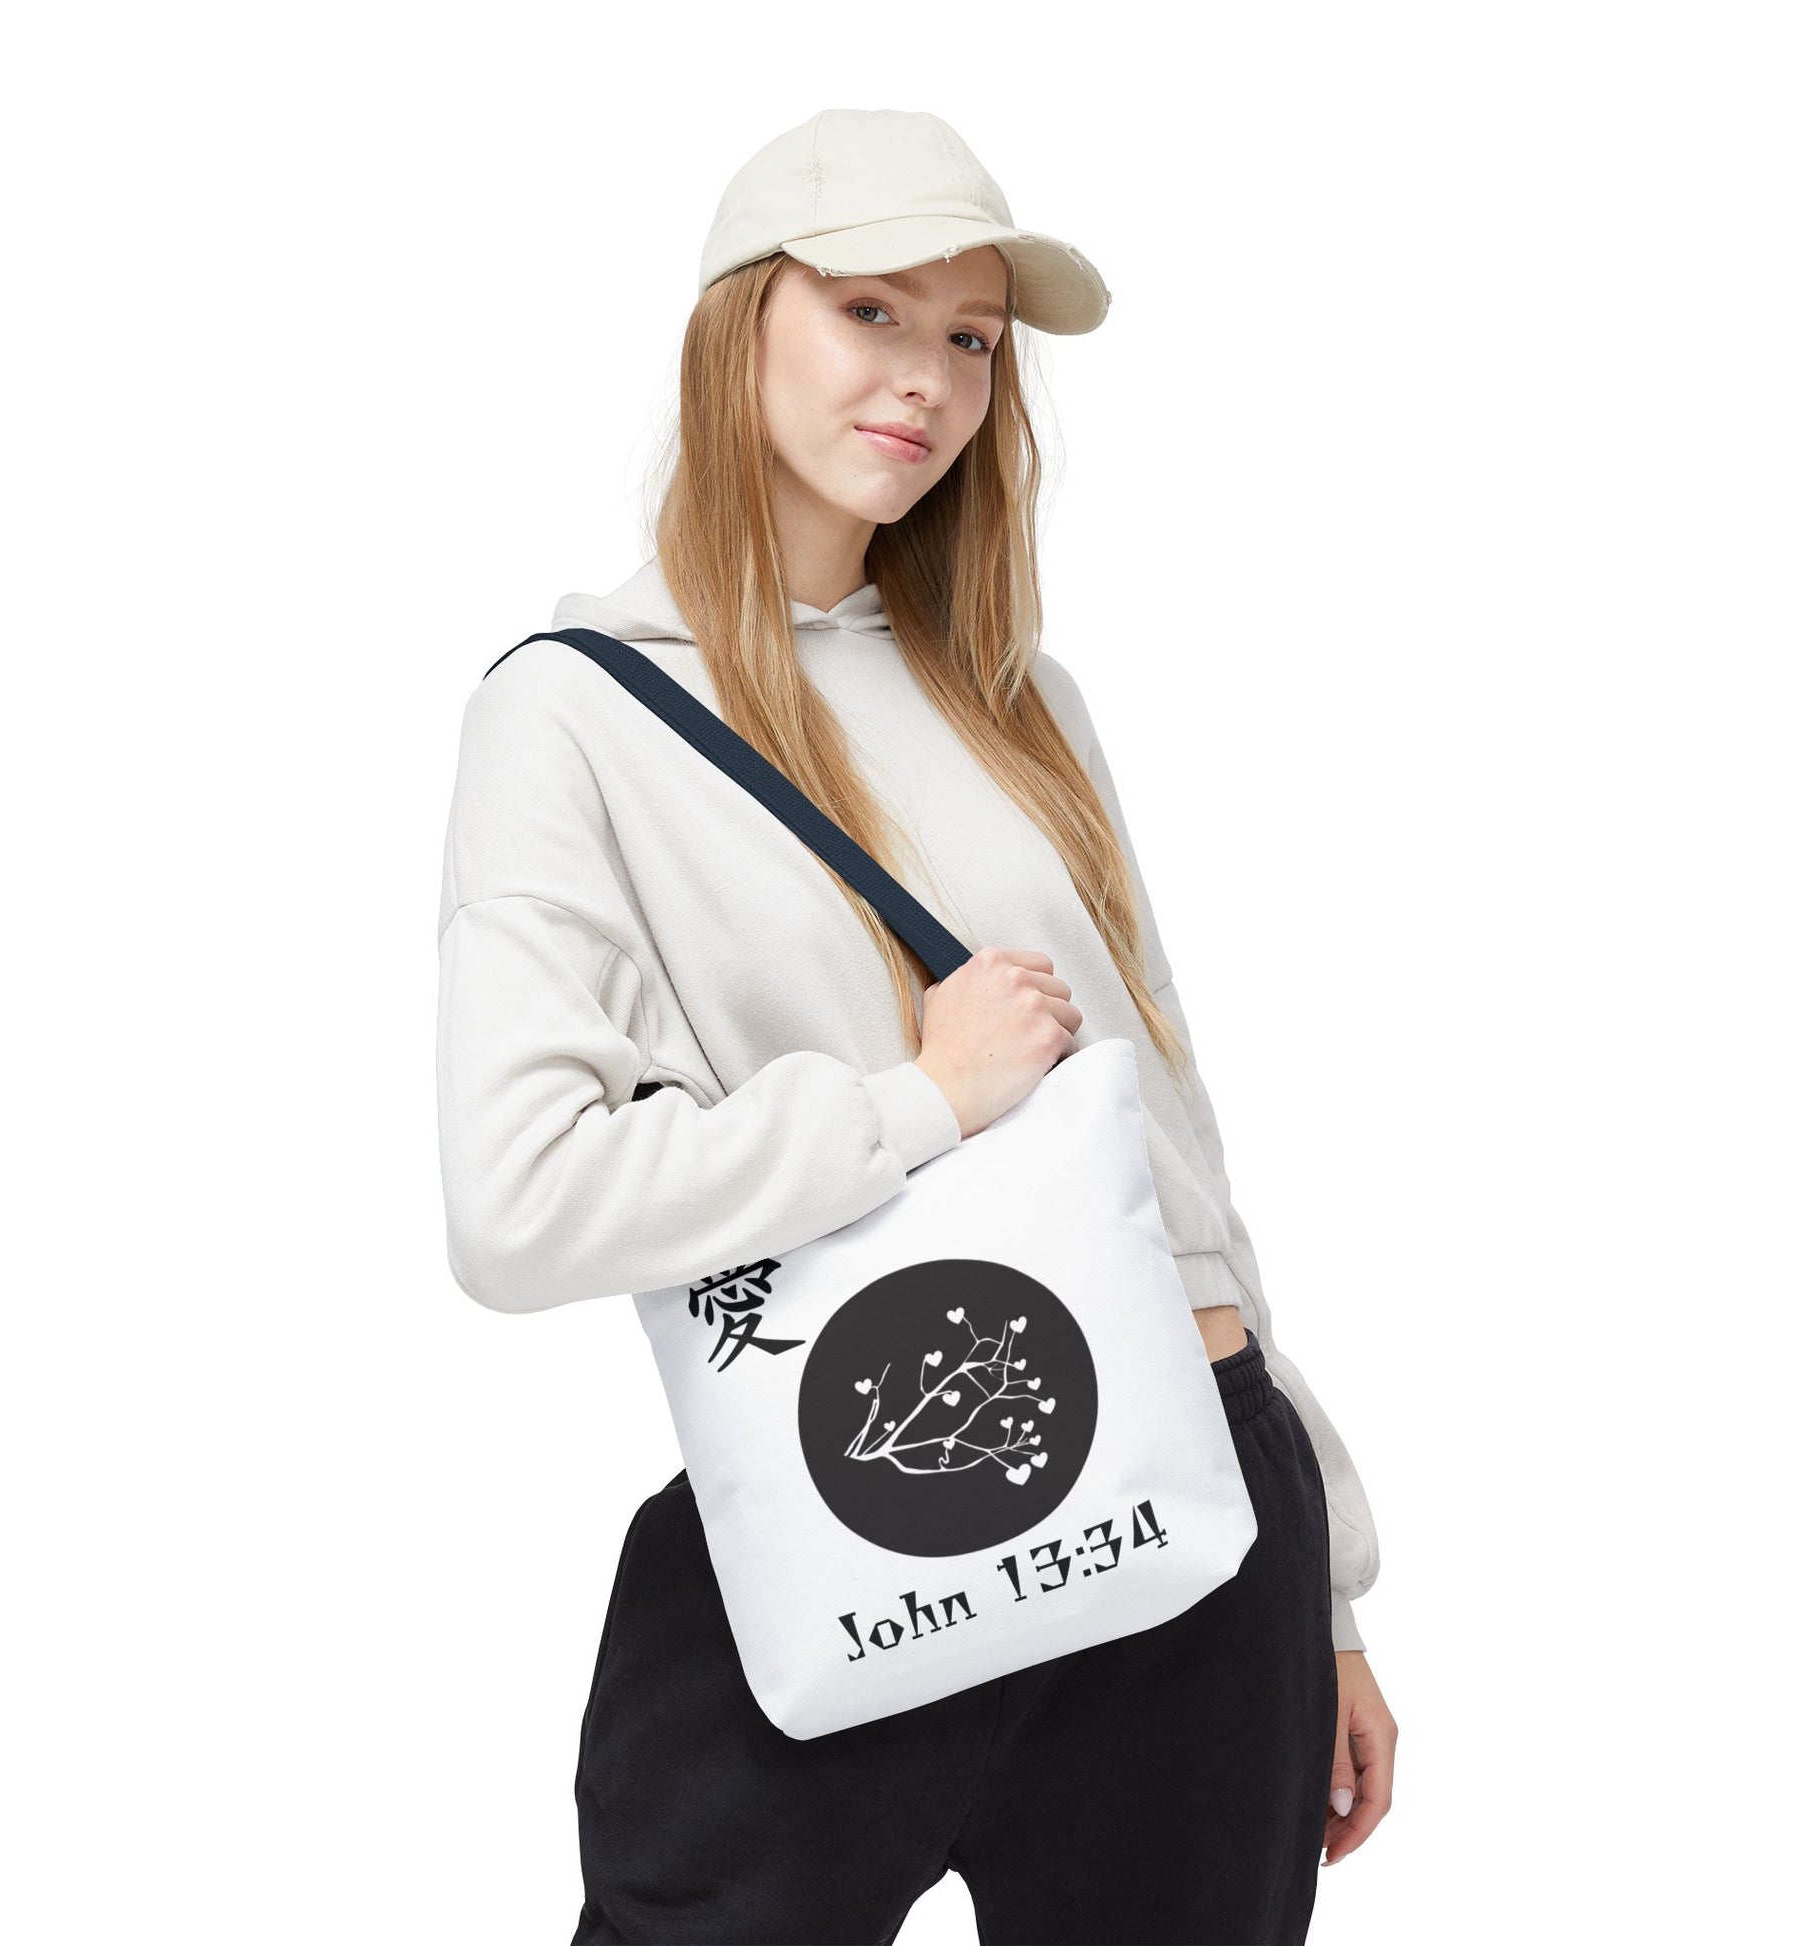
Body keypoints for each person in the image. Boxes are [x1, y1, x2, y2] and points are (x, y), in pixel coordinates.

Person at [436, 107, 1396, 1946]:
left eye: (969, 337)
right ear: (739, 325)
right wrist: (922, 1102)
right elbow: (518, 1202)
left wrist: (1330, 1588)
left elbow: (1169, 1149)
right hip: (849, 1498)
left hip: (1193, 1514)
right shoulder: (578, 715)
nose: (930, 380)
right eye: (870, 309)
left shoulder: (1019, 696)